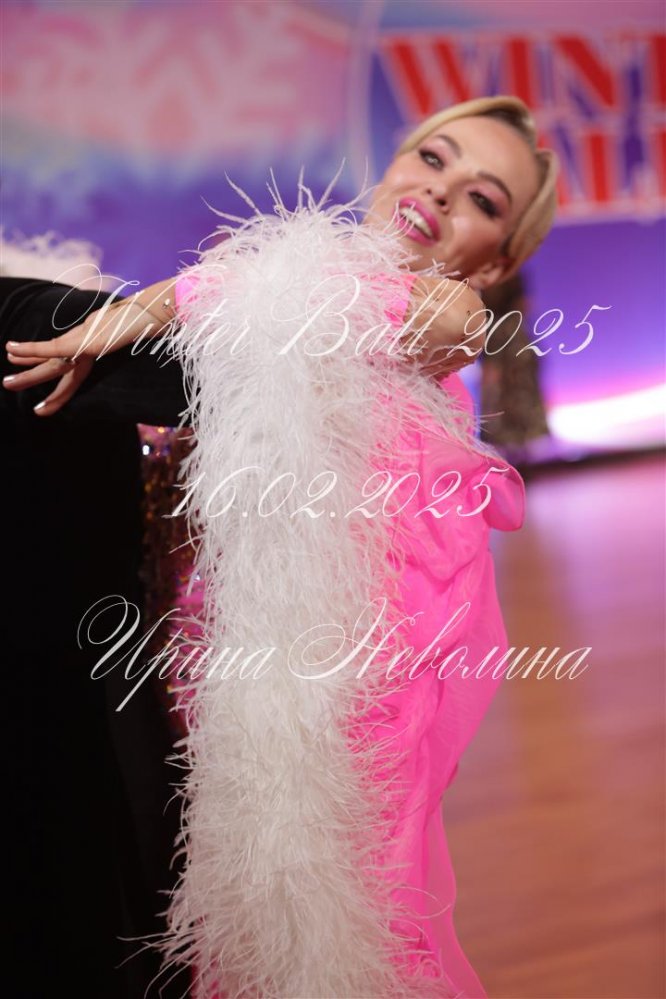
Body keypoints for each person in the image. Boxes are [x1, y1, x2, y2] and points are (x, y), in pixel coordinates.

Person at [4, 95, 558, 998]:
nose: (441, 191)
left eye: (482, 198)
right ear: (393, 166)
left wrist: (129, 315)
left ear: (494, 259)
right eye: (433, 158)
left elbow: (351, 305)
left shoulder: (438, 314)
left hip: (335, 719)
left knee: (313, 936)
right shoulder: (289, 314)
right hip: (206, 685)